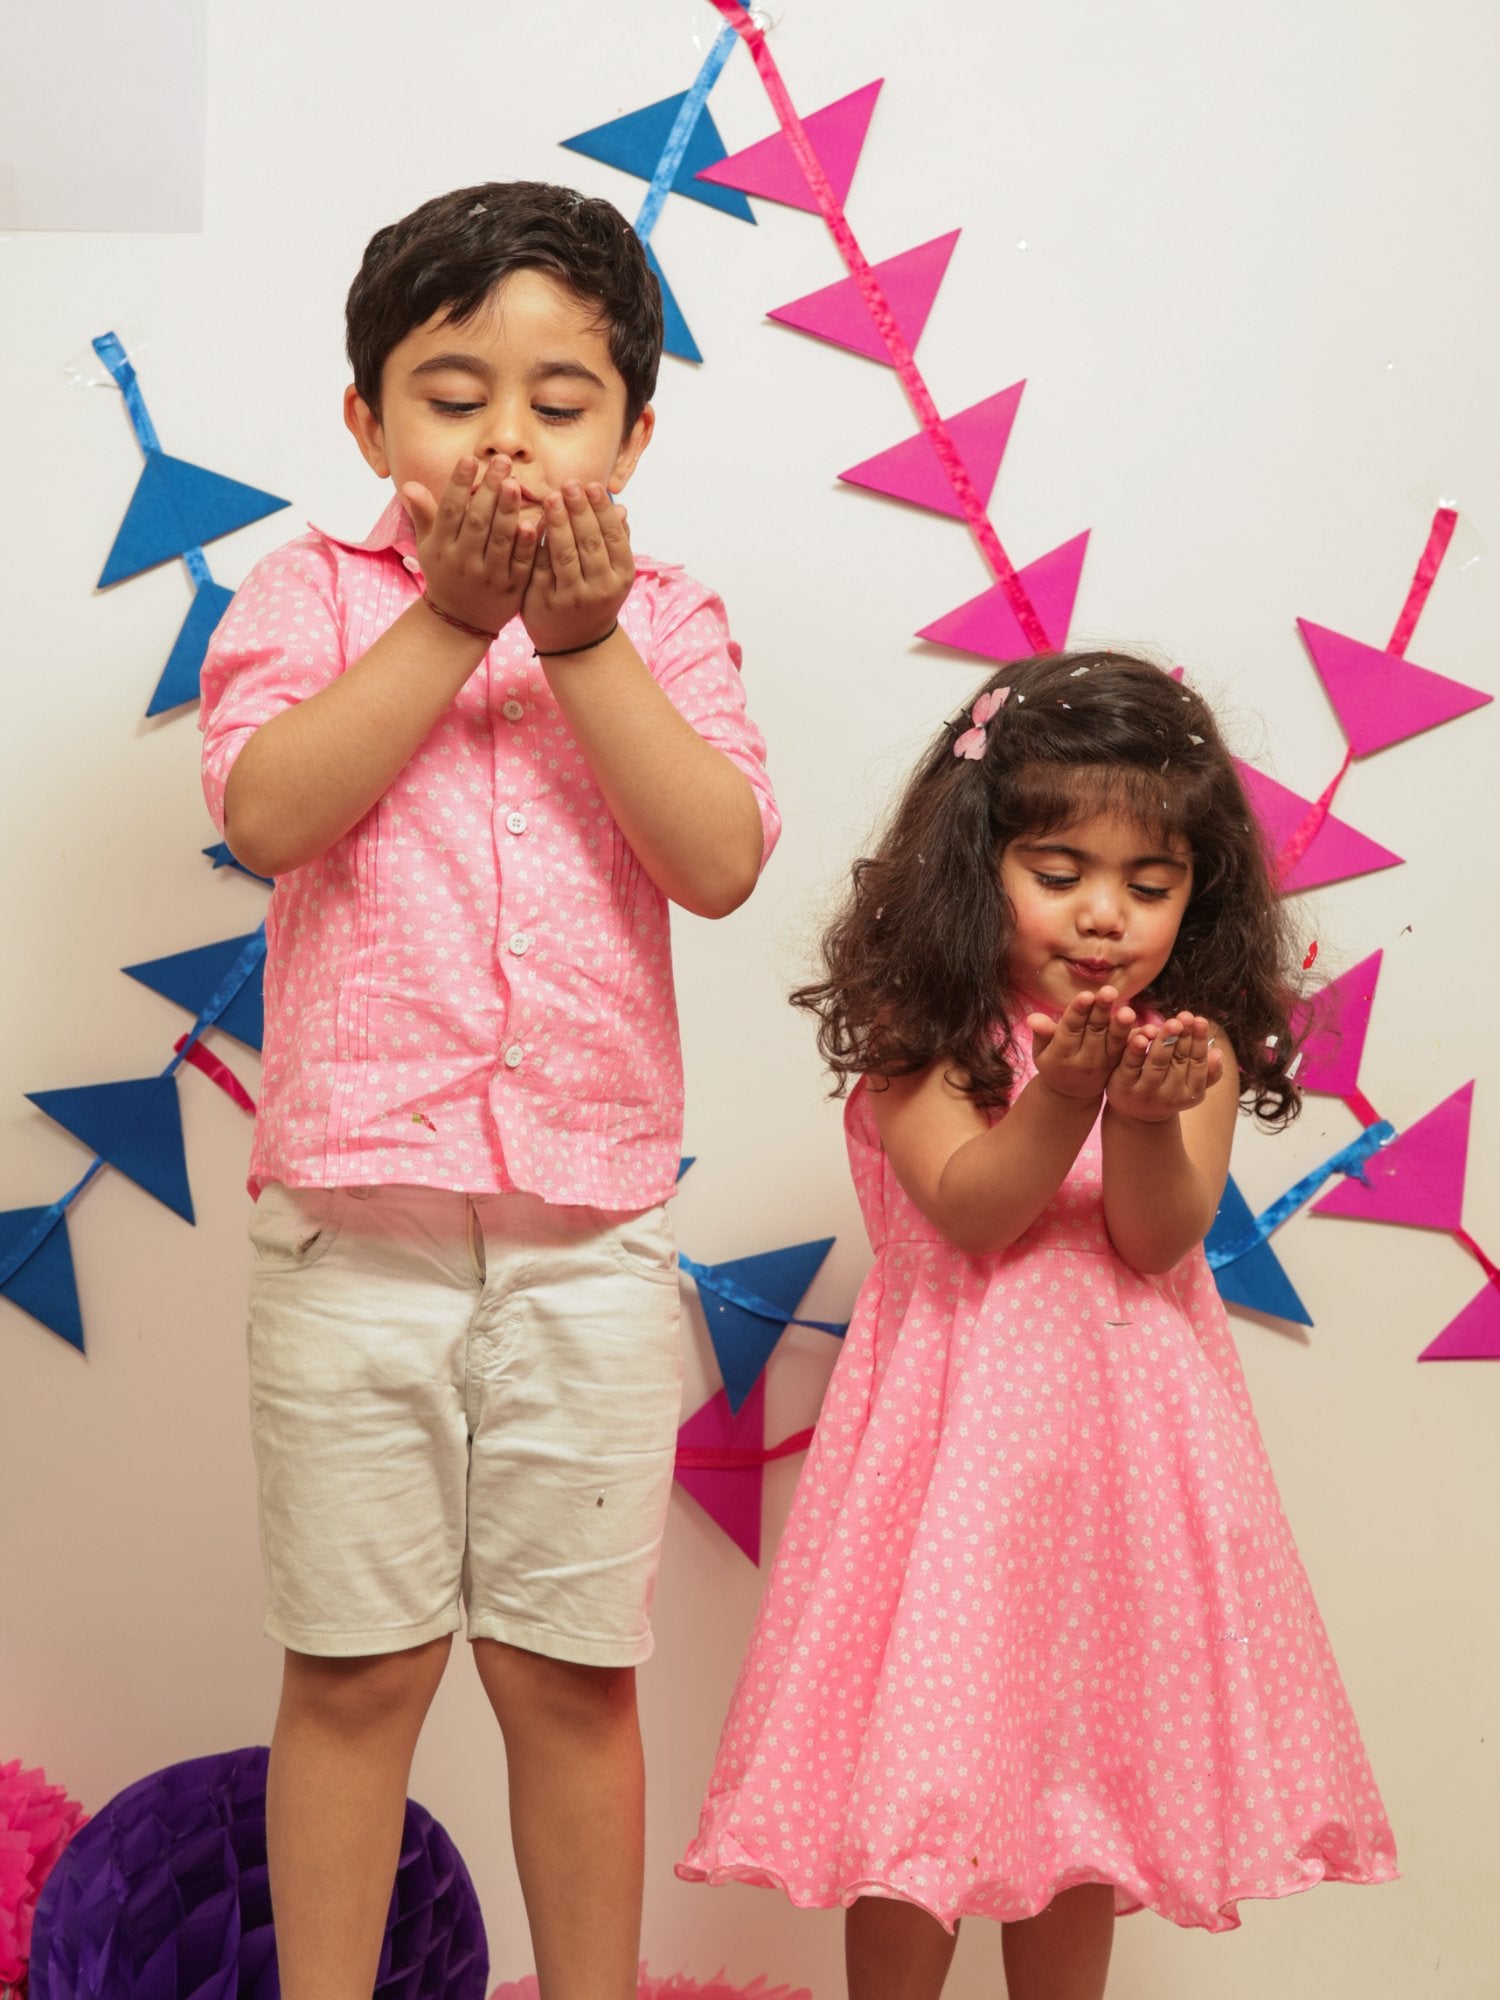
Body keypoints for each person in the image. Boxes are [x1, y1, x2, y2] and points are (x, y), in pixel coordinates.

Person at [198, 181, 780, 2000]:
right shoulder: (310, 593)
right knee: (358, 1668)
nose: (508, 437)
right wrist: (448, 620)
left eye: (560, 397)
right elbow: (269, 811)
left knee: (565, 1672)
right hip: (348, 1235)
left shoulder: (667, 619)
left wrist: (580, 641)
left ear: (635, 431)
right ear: (368, 421)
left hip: (589, 1240)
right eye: (455, 395)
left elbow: (719, 861)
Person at [677, 652, 1394, 1999]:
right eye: (1058, 873)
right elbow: (975, 1209)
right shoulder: (928, 1030)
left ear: (1203, 890)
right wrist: (1064, 1093)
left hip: (1120, 1474)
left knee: (1081, 1806)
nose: (1105, 915)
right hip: (951, 1480)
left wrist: (1138, 1110)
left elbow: (1155, 1237)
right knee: (923, 1806)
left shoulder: (1194, 1046)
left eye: (1150, 883)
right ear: (976, 863)